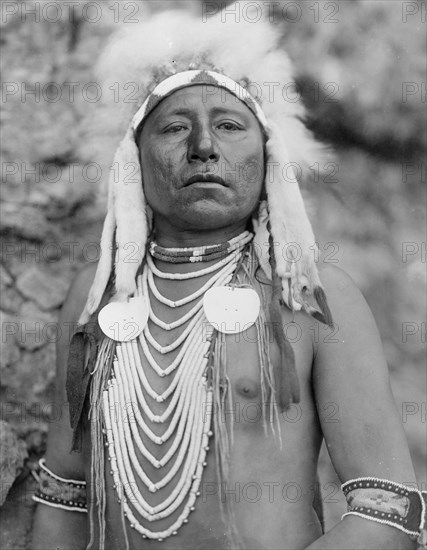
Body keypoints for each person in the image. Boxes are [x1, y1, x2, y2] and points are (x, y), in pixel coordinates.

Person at [31, 7, 425, 550]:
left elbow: (389, 508)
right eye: (173, 127)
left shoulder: (309, 296)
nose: (203, 147)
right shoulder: (96, 296)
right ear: (132, 160)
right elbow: (66, 493)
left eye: (230, 125)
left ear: (267, 155)